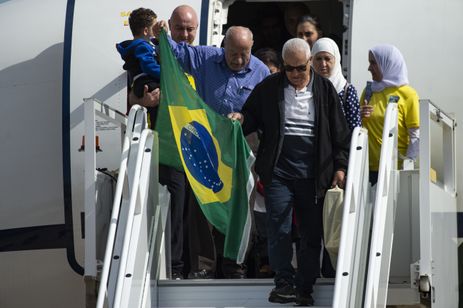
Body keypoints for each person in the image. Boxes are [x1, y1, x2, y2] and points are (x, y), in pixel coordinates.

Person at [228, 38, 350, 306]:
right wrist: (240, 118)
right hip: (279, 172)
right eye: (290, 69)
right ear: (283, 67)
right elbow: (251, 115)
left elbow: (340, 133)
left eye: (301, 69)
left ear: (310, 65)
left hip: (313, 174)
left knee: (310, 233)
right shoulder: (270, 87)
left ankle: (304, 287)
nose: (295, 75)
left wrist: (340, 167)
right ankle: (284, 282)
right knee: (278, 227)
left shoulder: (325, 90)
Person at [154, 22, 270, 278]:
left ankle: (235, 265)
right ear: (223, 47)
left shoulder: (261, 72)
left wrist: (243, 116)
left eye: (245, 53)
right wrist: (161, 32)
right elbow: (177, 53)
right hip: (207, 141)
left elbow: (267, 112)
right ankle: (203, 267)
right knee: (203, 204)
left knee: (240, 204)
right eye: (233, 54)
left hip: (242, 144)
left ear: (251, 48)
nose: (239, 59)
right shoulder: (206, 58)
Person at [126, 5, 200, 280]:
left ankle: (197, 267)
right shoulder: (151, 53)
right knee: (177, 206)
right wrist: (140, 101)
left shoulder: (200, 57)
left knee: (195, 210)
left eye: (189, 29)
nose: (184, 34)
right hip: (169, 144)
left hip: (196, 144)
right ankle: (177, 267)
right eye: (178, 28)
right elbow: (132, 92)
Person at [360, 44, 420, 185]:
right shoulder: (369, 91)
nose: (369, 68)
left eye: (373, 63)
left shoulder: (408, 94)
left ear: (387, 63)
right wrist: (359, 115)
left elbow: (415, 136)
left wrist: (406, 169)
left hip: (395, 170)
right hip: (368, 169)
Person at [312, 37, 361, 130]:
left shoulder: (347, 90)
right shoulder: (307, 87)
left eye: (327, 58)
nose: (323, 64)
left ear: (336, 59)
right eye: (318, 59)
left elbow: (355, 128)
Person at [116, 8, 160, 98]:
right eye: (154, 27)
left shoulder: (138, 46)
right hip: (146, 83)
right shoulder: (142, 47)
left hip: (140, 84)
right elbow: (148, 66)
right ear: (146, 31)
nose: (156, 30)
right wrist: (165, 73)